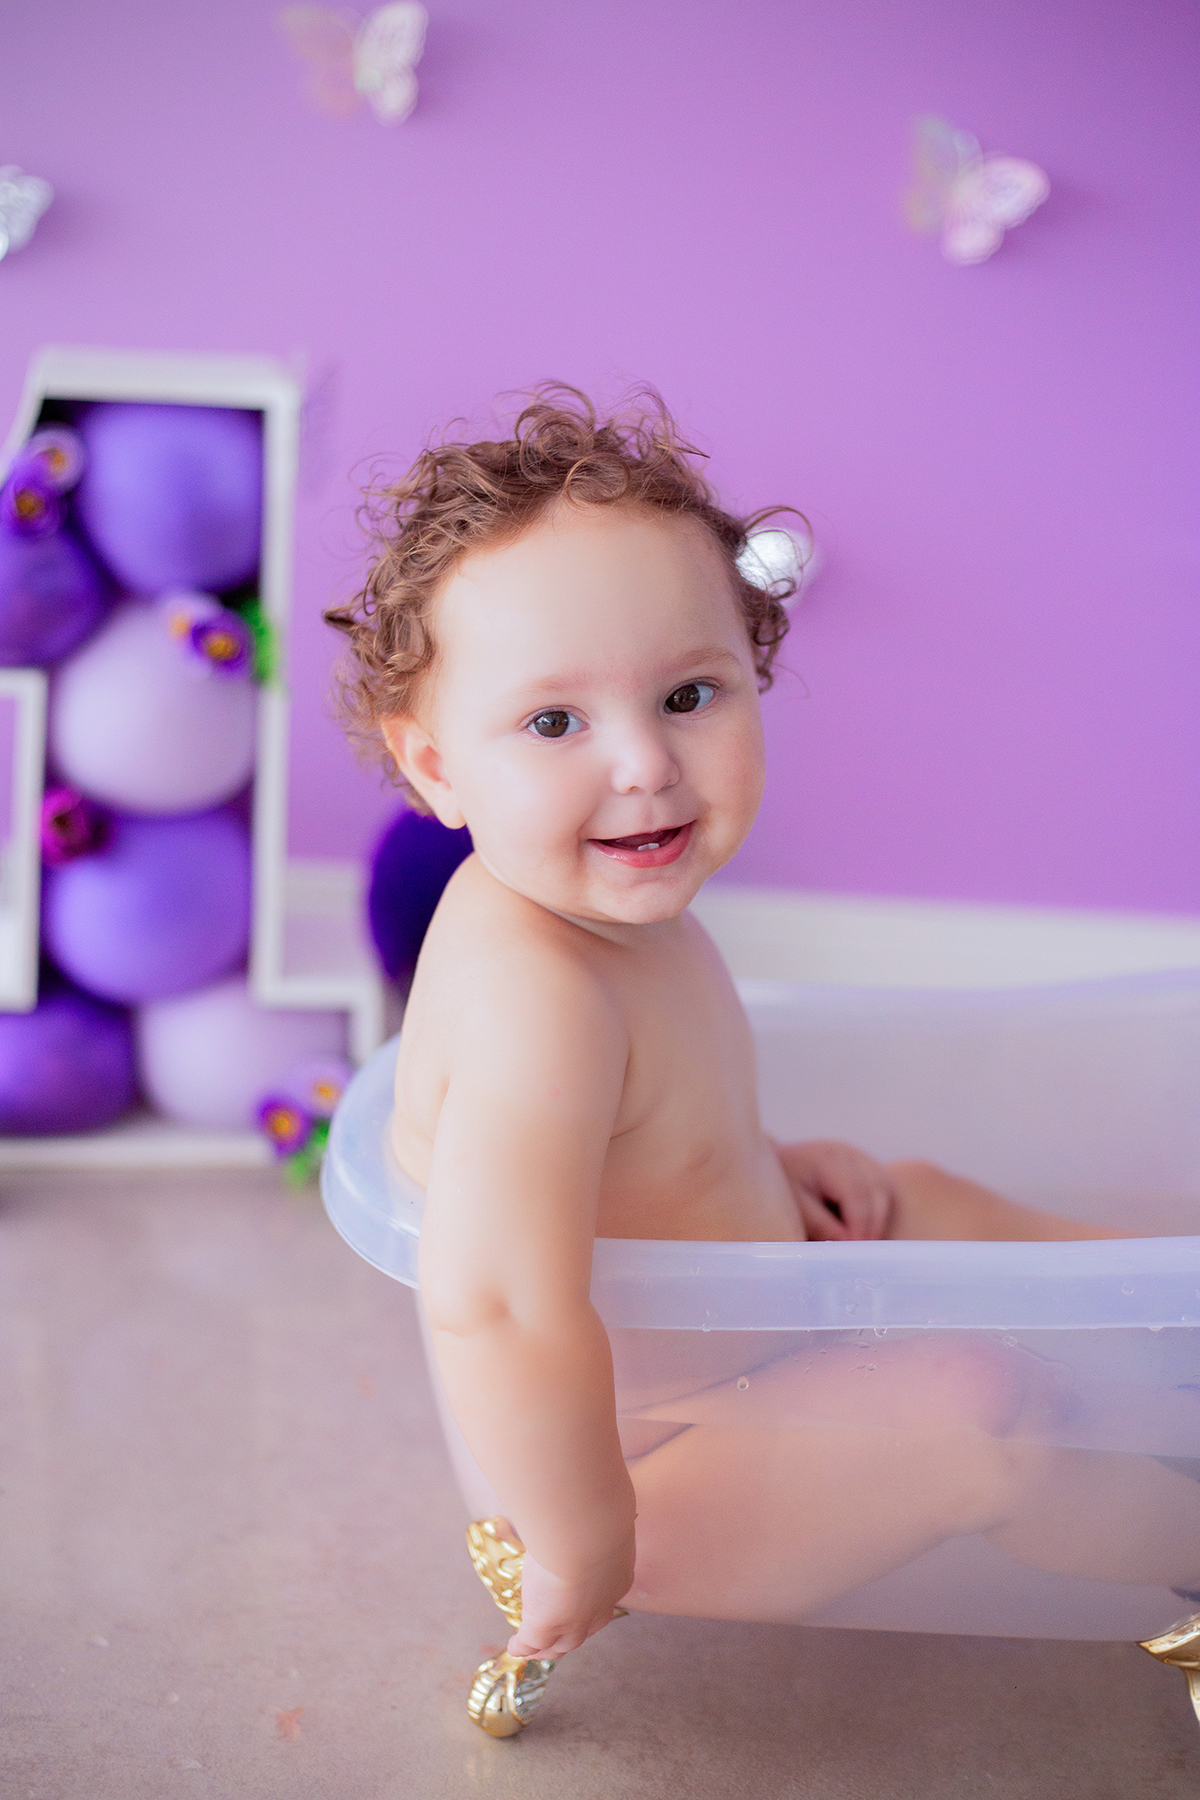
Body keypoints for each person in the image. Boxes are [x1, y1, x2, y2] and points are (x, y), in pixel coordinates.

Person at [326, 387, 1200, 1654]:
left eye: (690, 695)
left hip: (748, 1352)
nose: (644, 764)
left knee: (914, 1197)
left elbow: (643, 1144)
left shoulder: (603, 904)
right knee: (981, 1405)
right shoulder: (532, 996)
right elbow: (497, 1306)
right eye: (555, 721)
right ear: (435, 766)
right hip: (659, 1474)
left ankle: (1171, 1331)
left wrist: (766, 1171)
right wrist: (580, 1536)